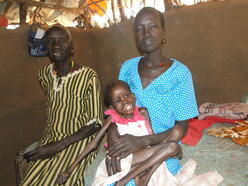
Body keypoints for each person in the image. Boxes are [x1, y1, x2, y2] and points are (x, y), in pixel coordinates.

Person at [57, 80, 223, 186]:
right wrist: (69, 169)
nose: (125, 102)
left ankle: (142, 178)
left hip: (142, 157)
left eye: (127, 95)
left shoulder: (143, 112)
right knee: (171, 147)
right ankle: (125, 180)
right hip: (125, 159)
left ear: (134, 96)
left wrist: (164, 150)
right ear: (112, 108)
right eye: (118, 101)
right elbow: (94, 144)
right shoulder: (112, 120)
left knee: (171, 147)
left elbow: (150, 136)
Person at [106, 7, 199, 185]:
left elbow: (181, 128)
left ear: (164, 32)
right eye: (140, 28)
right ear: (135, 36)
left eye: (152, 27)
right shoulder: (127, 68)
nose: (146, 33)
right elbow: (115, 114)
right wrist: (113, 147)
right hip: (129, 149)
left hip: (160, 150)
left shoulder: (180, 74)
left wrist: (142, 141)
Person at [21, 25, 103, 186]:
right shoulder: (44, 74)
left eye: (62, 40)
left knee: (63, 180)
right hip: (51, 137)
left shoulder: (88, 76)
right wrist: (50, 145)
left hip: (79, 141)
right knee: (31, 180)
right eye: (50, 41)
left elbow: (96, 123)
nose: (56, 45)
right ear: (46, 48)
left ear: (71, 47)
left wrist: (57, 146)